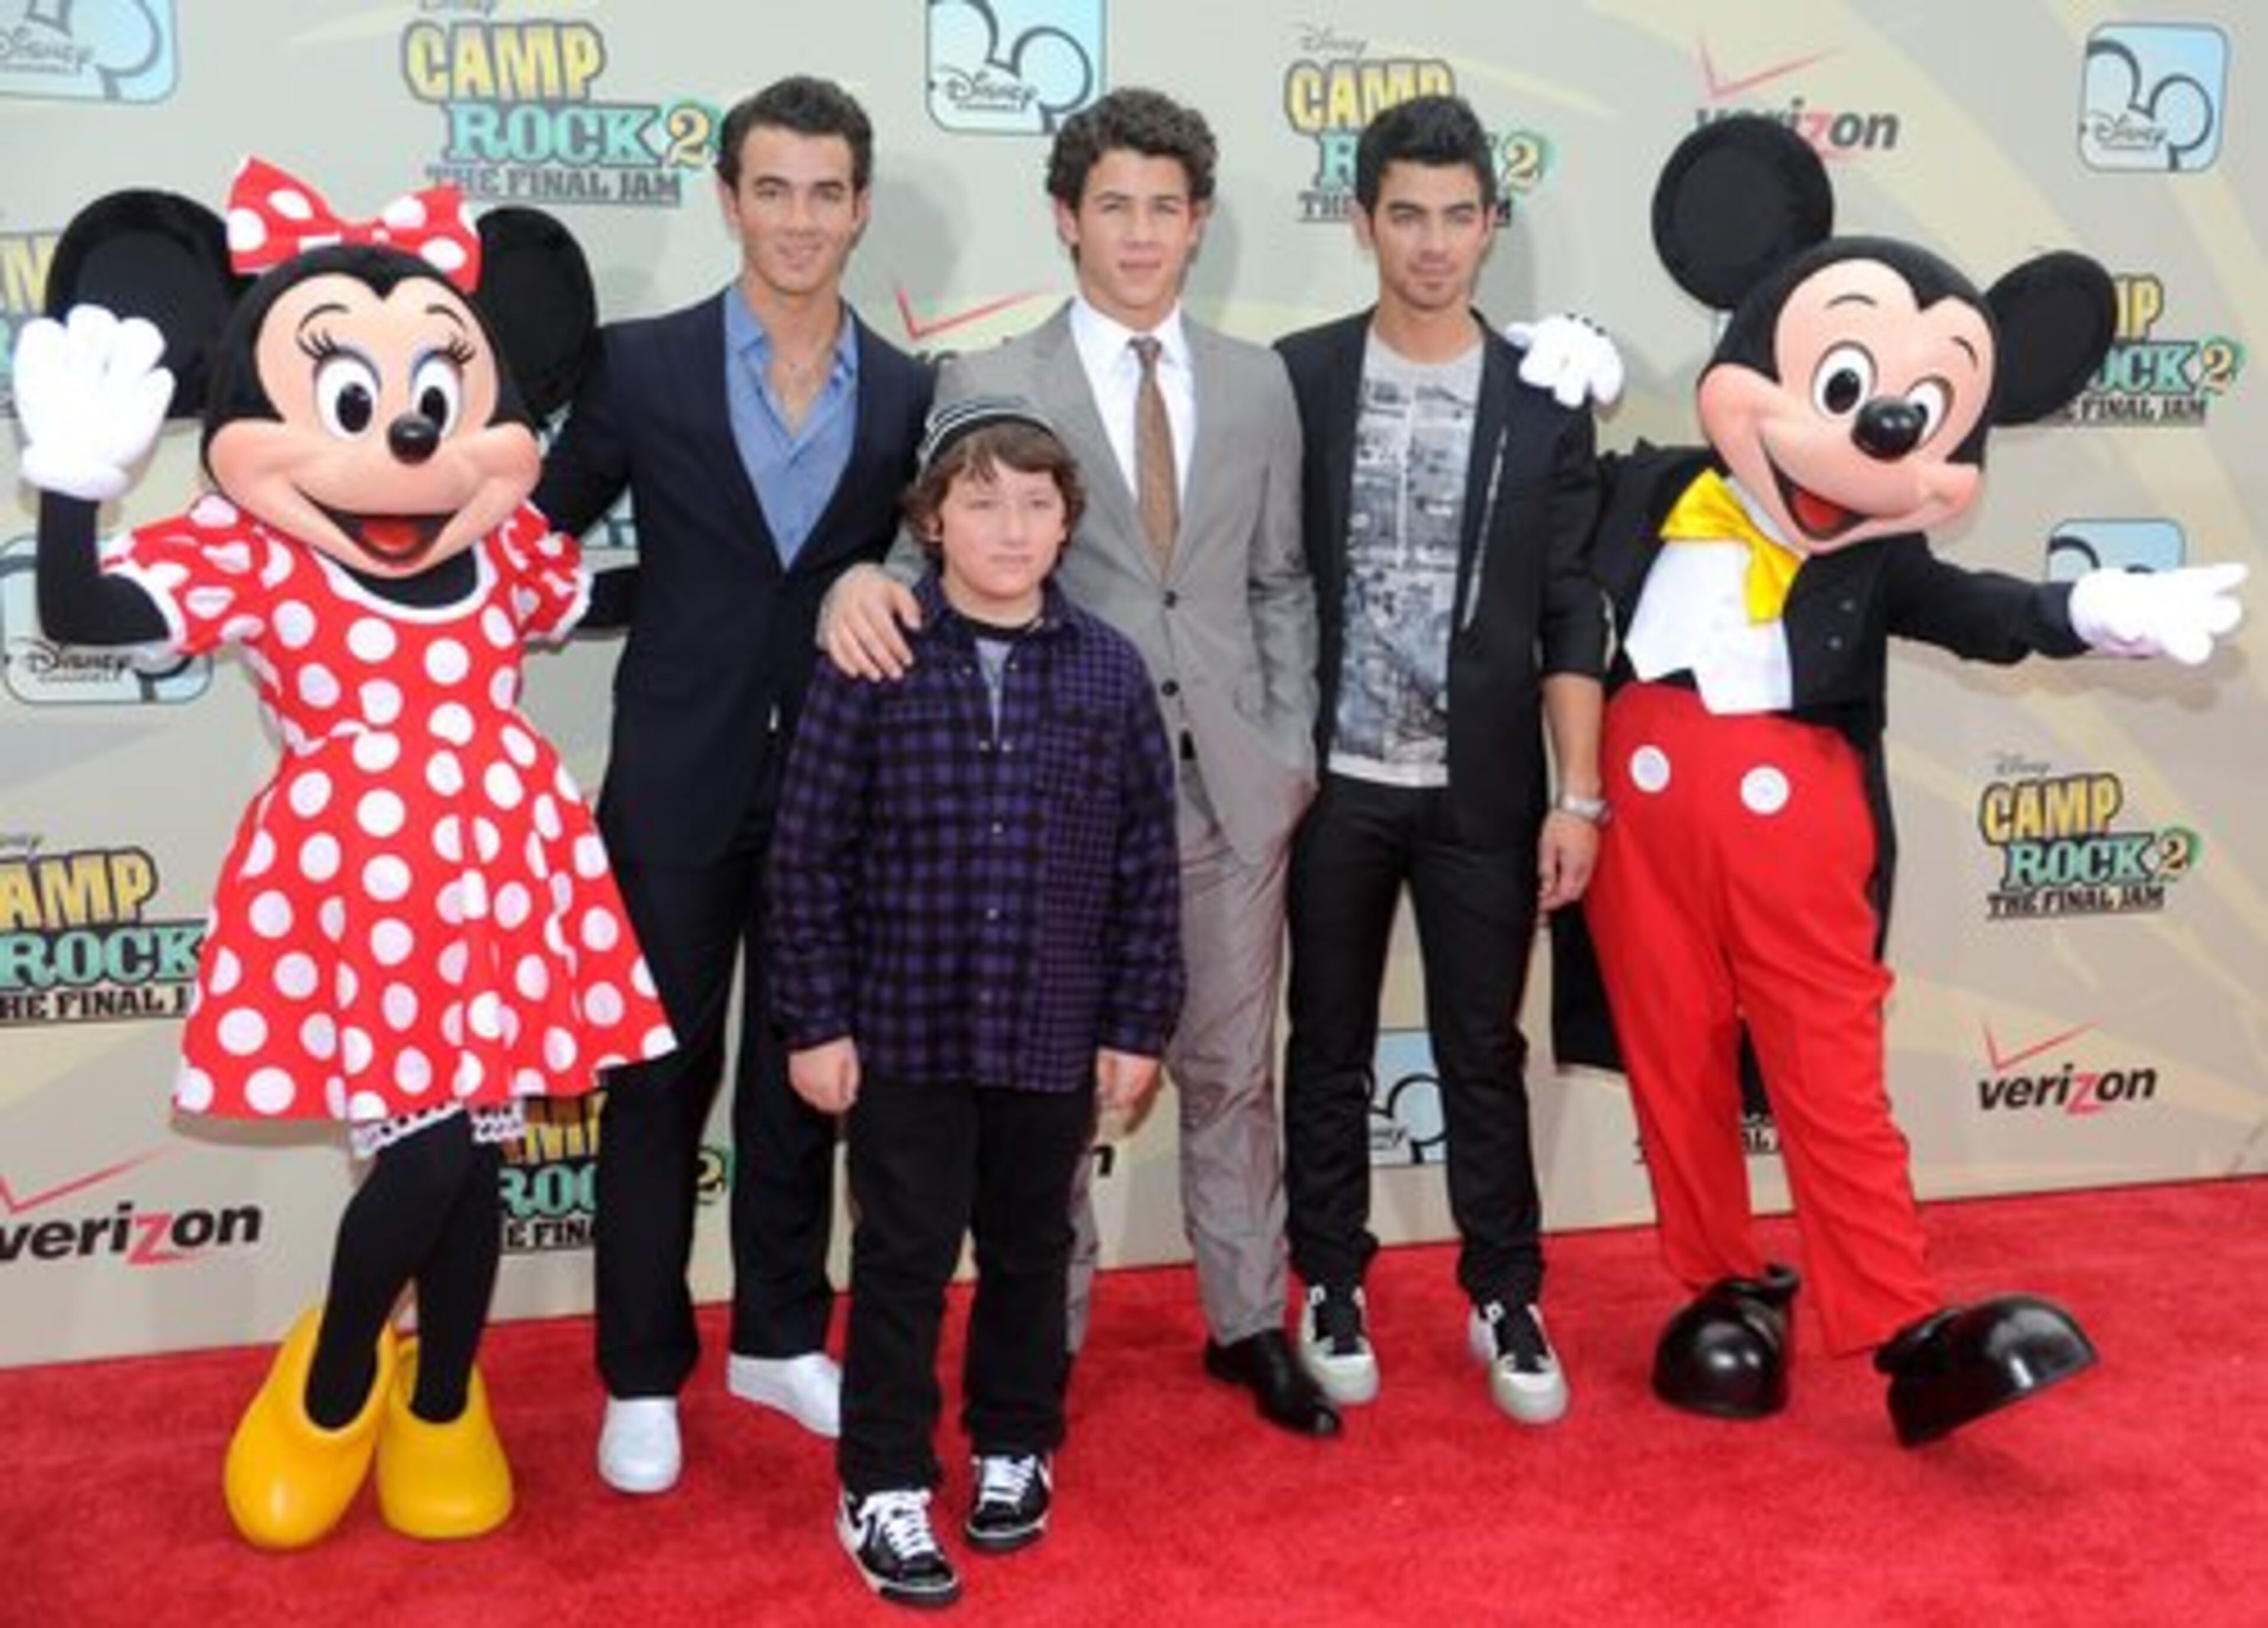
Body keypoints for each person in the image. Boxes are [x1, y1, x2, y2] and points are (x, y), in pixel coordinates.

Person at [15, 165, 673, 1545]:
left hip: (502, 871)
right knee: (431, 1156)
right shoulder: (256, 550)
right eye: (359, 402)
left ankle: (441, 1396)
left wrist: (792, 556)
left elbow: (627, 586)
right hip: (354, 887)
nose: (409, 437)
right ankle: (328, 1380)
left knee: (477, 1160)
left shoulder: (507, 559)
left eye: (437, 398)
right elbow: (77, 609)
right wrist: (73, 486)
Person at [824, 87, 1340, 1437]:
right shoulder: (990, 380)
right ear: (1066, 219)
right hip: (1047, 801)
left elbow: (1280, 579)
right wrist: (849, 590)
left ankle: (1245, 1318)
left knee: (1232, 1072)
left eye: (1165, 208)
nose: (1140, 232)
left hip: (1231, 793)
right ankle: (1034, 1336)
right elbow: (918, 556)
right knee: (1047, 1086)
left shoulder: (1258, 381)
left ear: (1200, 224)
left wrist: (1286, 754)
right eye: (1113, 205)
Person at [533, 75, 934, 1495]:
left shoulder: (908, 390)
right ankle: (641, 1372)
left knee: (803, 1076)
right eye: (775, 188)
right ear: (728, 200)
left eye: (829, 191)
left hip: (841, 793)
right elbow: (539, 547)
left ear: (862, 204)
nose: (802, 219)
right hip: (674, 789)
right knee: (654, 1084)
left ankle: (776, 1333)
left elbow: (938, 559)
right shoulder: (638, 365)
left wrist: (880, 576)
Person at [771, 397, 1183, 1608]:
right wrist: (817, 1019)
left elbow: (1144, 864)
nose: (1011, 527)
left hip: (1051, 1025)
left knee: (1029, 1249)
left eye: (1038, 502)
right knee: (899, 1259)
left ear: (1068, 524)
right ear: (933, 519)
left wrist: (1134, 1022)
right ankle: (884, 1477)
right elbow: (810, 852)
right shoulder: (876, 654)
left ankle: (1014, 1442)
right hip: (903, 1028)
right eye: (983, 500)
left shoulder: (1107, 672)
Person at [1272, 95, 1607, 1424]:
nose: (1431, 243)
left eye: (1458, 216)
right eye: (1404, 214)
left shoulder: (1547, 394)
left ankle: (1504, 1290)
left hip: (1485, 787)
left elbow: (1574, 600)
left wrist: (1577, 790)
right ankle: (1331, 1279)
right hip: (1330, 779)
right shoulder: (1296, 375)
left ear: (1492, 225)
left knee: (1481, 1043)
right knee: (1329, 1043)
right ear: (1361, 223)